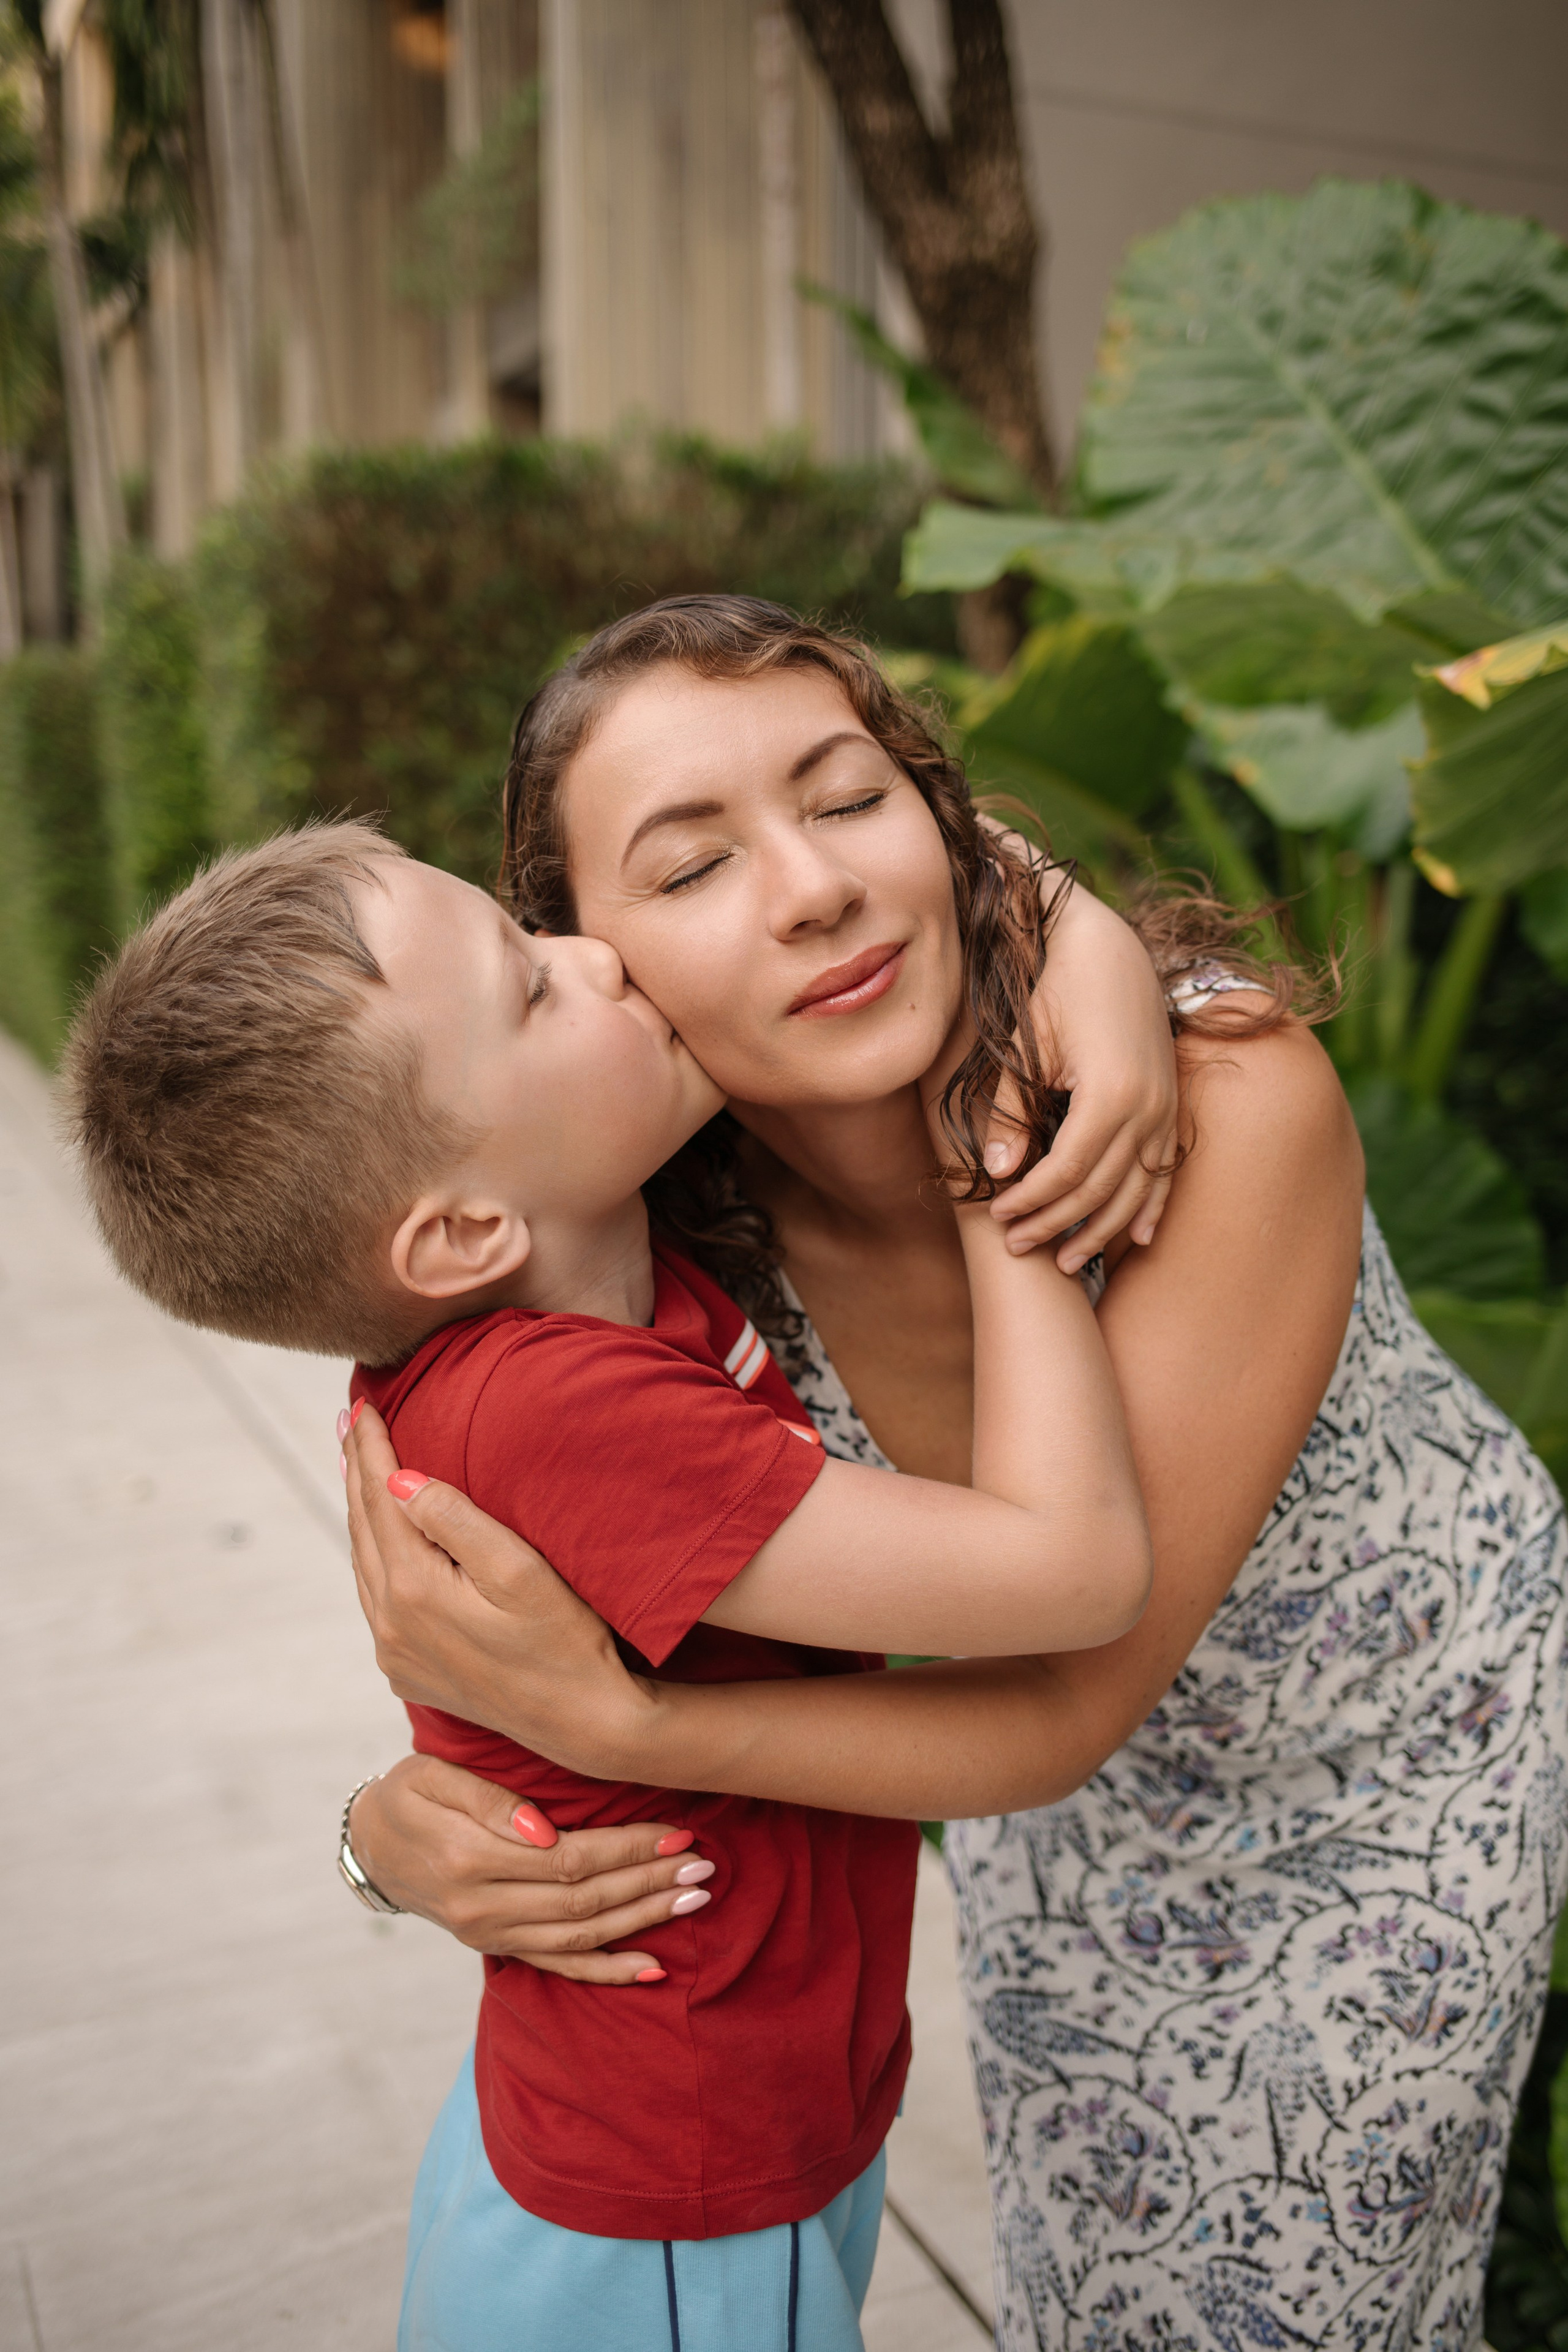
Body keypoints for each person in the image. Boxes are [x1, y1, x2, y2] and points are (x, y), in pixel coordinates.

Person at [342, 594, 1568, 2352]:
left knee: (1318, 2305)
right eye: (690, 869)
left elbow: (1072, 1689)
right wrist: (387, 1830)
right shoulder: (658, 1240)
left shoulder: (1221, 1104)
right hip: (1039, 1796)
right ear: (594, 975)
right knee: (1104, 2286)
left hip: (1386, 1741)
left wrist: (640, 1739)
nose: (816, 887)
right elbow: (466, 1565)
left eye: (847, 800)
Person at [61, 816, 1157, 2352]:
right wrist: (999, 1154)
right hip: (679, 2191)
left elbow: (932, 864)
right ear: (457, 1232)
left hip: (669, 2136)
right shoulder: (562, 1412)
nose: (594, 954)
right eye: (529, 989)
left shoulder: (592, 1265)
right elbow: (1073, 1570)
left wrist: (1083, 948)